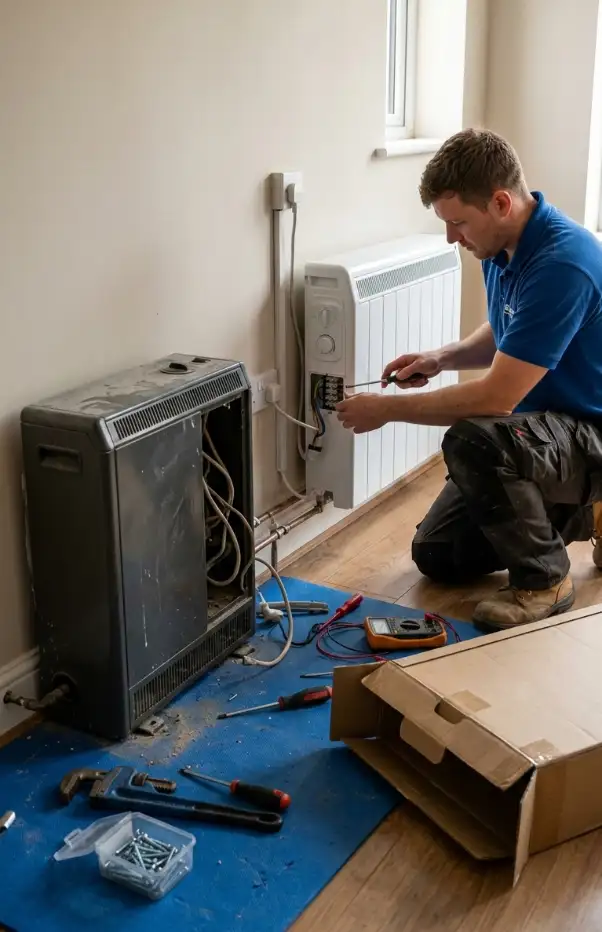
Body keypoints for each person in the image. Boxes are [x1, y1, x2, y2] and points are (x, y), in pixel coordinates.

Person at [335, 128, 602, 630]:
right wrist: (442, 357)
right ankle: (587, 512)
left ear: (500, 202)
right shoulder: (501, 248)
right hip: (548, 428)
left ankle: (545, 580)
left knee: (476, 440)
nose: (451, 238)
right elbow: (509, 331)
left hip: (590, 433)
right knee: (438, 553)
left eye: (458, 222)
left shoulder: (563, 264)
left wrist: (386, 409)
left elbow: (497, 398)